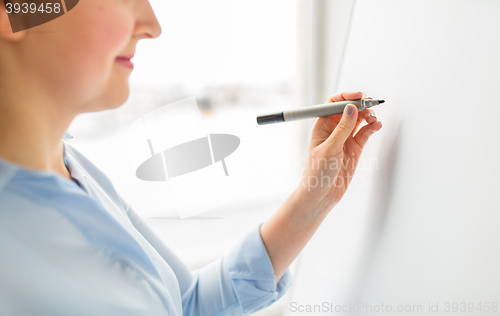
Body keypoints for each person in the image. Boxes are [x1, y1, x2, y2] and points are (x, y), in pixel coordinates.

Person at [0, 0, 383, 315]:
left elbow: (182, 305)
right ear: (14, 11)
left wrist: (314, 197)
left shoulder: (73, 167)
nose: (152, 24)